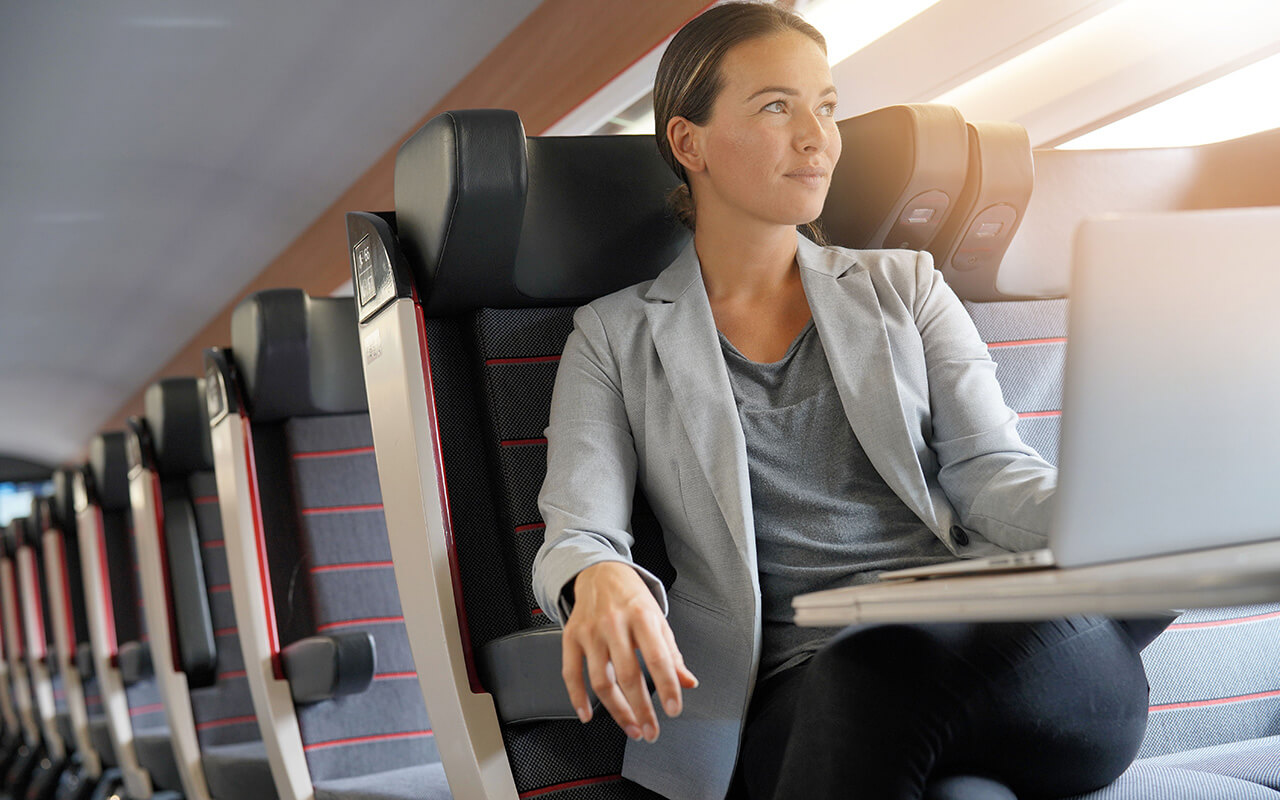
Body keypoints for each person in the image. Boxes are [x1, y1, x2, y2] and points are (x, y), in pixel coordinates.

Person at [532, 4, 1167, 799]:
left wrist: (1116, 521)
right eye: (777, 106)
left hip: (1004, 651)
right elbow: (579, 529)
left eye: (826, 107)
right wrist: (600, 578)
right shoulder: (613, 336)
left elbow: (990, 470)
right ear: (688, 142)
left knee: (884, 671)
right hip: (797, 692)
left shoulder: (906, 285)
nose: (817, 137)